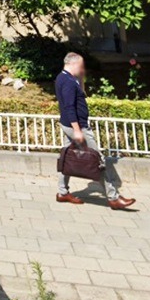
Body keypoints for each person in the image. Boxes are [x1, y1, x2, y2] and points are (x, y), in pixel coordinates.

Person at [55, 52, 134, 209]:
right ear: (73, 64)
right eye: (81, 66)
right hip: (77, 127)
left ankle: (62, 192)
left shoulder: (64, 78)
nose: (82, 69)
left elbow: (81, 95)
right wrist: (77, 130)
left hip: (69, 125)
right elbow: (69, 107)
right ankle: (113, 197)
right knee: (98, 160)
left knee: (67, 158)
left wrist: (81, 79)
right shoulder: (68, 82)